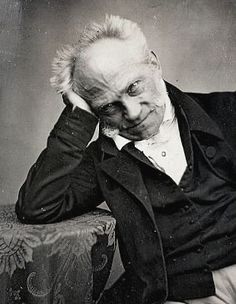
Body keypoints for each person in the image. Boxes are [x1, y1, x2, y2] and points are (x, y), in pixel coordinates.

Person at [15, 15, 236, 304]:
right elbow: (36, 207)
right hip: (171, 296)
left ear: (153, 64)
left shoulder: (226, 111)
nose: (131, 112)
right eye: (108, 106)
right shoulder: (102, 160)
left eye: (134, 88)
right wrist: (77, 115)